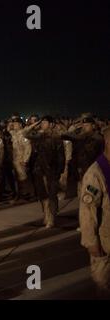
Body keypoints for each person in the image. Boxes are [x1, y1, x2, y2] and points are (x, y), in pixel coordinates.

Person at [79, 127, 110, 298]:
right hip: (105, 244)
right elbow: (87, 212)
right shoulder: (96, 173)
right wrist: (91, 243)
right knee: (104, 285)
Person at [23, 116, 65, 228]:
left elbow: (61, 156)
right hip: (40, 169)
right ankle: (46, 216)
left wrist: (60, 171)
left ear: (51, 124)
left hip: (52, 169)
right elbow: (25, 133)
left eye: (45, 122)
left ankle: (51, 217)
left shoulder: (57, 137)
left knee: (51, 195)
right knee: (42, 195)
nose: (43, 124)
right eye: (42, 122)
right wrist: (35, 124)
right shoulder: (39, 136)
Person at [9, 117, 33, 202]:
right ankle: (19, 195)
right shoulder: (14, 134)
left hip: (21, 160)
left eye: (16, 124)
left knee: (23, 179)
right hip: (15, 160)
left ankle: (25, 195)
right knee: (17, 179)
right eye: (13, 124)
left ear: (20, 125)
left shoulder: (23, 133)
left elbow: (28, 148)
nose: (14, 125)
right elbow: (8, 129)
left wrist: (25, 160)